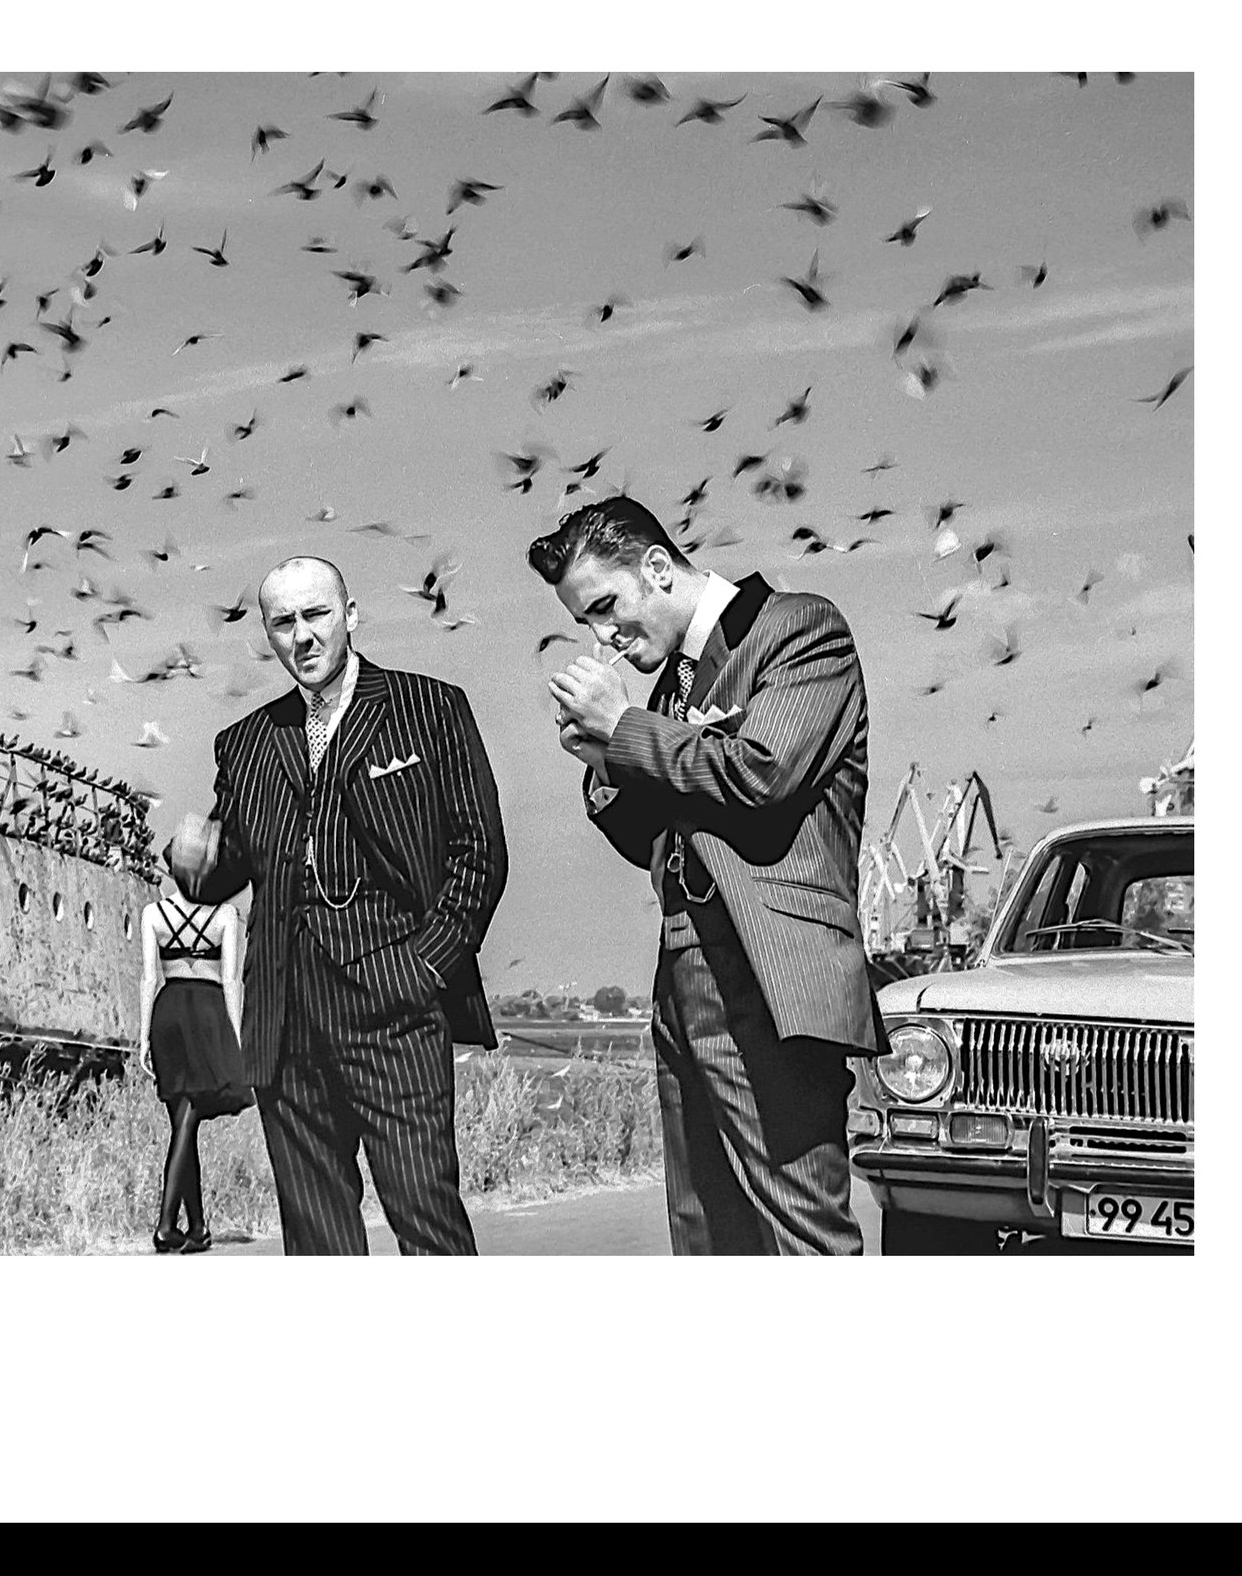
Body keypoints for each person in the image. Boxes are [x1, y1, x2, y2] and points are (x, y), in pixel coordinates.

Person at [529, 496, 882, 1256]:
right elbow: (658, 839)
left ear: (657, 567)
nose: (603, 637)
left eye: (605, 607)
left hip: (770, 975)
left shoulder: (796, 628)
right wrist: (604, 764)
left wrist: (625, 729)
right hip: (682, 973)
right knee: (708, 1234)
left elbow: (763, 775)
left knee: (800, 1233)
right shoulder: (668, 689)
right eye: (585, 622)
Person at [165, 556, 507, 1256]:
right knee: (318, 1243)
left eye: (316, 615)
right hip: (284, 1025)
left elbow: (479, 855)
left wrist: (422, 970)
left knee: (426, 1217)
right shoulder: (246, 744)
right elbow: (224, 878)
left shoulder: (431, 708)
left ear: (350, 615)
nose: (302, 636)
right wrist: (194, 861)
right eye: (283, 622)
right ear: (267, 633)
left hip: (396, 1011)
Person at [135, 879, 250, 1254]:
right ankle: (166, 1225)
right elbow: (231, 981)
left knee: (182, 1120)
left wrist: (143, 1037)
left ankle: (198, 1227)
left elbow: (150, 977)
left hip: (167, 1014)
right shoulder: (225, 915)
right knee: (187, 1121)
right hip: (207, 1013)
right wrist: (235, 1038)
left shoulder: (154, 913)